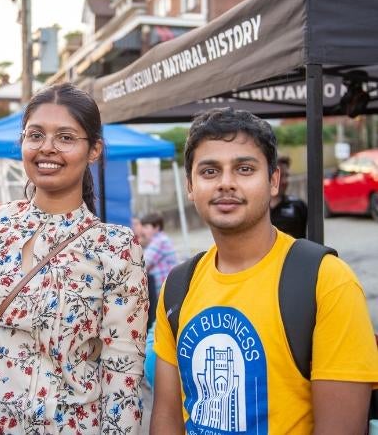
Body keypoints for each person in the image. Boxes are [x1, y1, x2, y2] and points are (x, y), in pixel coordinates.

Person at [0, 83, 148, 433]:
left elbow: (122, 375)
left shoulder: (114, 247)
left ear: (94, 150)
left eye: (65, 137)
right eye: (35, 135)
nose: (47, 148)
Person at [150, 107, 378, 434]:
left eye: (244, 169)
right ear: (190, 186)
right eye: (210, 171)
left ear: (273, 181)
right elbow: (167, 420)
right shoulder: (179, 286)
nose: (226, 183)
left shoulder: (327, 281)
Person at [138, 211, 178, 389]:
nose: (143, 230)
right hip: (162, 292)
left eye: (146, 227)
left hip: (165, 293)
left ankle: (154, 375)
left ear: (155, 227)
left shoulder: (159, 241)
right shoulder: (159, 241)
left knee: (157, 333)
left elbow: (142, 263)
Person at [270, 155, 308, 238]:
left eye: (286, 176)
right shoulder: (255, 207)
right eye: (280, 176)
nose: (284, 181)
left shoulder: (298, 206)